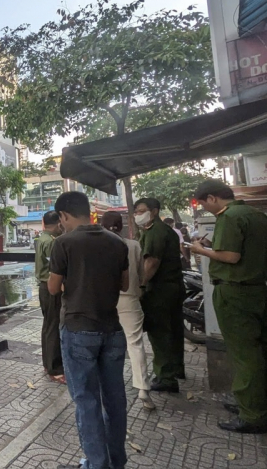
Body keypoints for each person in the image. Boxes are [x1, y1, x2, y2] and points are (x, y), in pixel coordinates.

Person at [48, 192, 130, 469]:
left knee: (87, 401)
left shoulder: (63, 243)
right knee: (115, 399)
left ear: (63, 215)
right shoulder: (117, 241)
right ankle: (116, 461)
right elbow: (125, 284)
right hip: (112, 330)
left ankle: (96, 464)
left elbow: (52, 287)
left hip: (78, 330)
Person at [190, 179, 267, 434]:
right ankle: (254, 402)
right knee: (258, 349)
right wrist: (213, 247)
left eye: (203, 204)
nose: (204, 208)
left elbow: (231, 256)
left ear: (212, 198)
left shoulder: (228, 216)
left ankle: (252, 414)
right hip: (257, 289)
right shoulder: (256, 215)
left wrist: (200, 249)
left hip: (234, 292)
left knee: (245, 354)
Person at [101, 211, 155, 410]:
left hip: (104, 301)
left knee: (102, 344)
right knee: (135, 344)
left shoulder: (97, 246)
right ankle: (143, 389)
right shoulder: (134, 245)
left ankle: (105, 388)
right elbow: (141, 274)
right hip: (130, 299)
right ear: (121, 226)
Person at [135, 197, 186, 393]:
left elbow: (152, 262)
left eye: (141, 211)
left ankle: (166, 377)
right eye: (136, 212)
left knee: (160, 331)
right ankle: (176, 368)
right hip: (173, 286)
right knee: (174, 330)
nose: (138, 215)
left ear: (154, 211)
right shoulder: (164, 230)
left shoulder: (155, 231)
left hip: (160, 289)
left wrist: (141, 285)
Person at [35, 210, 64, 384]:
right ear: (58, 223)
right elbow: (56, 268)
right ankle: (56, 369)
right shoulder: (52, 242)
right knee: (53, 326)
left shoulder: (41, 239)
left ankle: (48, 363)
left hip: (43, 286)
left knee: (48, 325)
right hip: (51, 286)